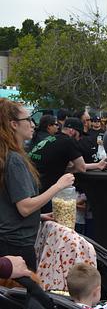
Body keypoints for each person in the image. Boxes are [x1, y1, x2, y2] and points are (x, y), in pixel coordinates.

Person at [0, 99, 75, 270]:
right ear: (14, 124)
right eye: (28, 119)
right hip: (17, 244)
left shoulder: (7, 155)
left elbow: (9, 204)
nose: (33, 124)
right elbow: (25, 207)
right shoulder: (14, 159)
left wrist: (39, 216)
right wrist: (59, 185)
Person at [29, 117, 107, 213]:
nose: (79, 139)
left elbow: (69, 168)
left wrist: (98, 165)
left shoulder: (52, 138)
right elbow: (81, 168)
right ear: (72, 131)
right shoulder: (68, 141)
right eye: (79, 135)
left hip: (31, 184)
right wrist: (97, 165)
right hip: (43, 189)